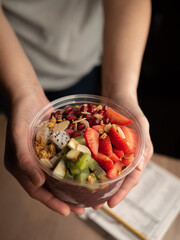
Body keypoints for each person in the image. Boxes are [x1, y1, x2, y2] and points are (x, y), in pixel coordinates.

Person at [0, 0, 153, 216]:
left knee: (88, 114)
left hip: (83, 58)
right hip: (8, 63)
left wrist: (120, 91)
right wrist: (22, 92)